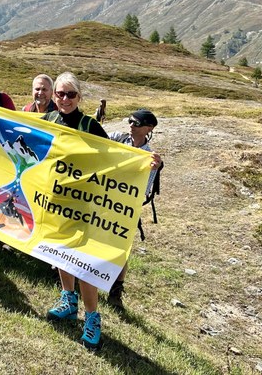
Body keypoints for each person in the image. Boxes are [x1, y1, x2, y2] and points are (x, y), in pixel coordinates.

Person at [42, 72, 110, 349]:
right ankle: (68, 301)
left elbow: (117, 156)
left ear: (80, 97)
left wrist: (146, 161)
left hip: (83, 204)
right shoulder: (47, 120)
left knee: (82, 262)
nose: (65, 99)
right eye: (60, 94)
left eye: (71, 94)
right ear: (53, 95)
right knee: (59, 252)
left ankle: (93, 317)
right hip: (54, 199)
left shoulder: (90, 125)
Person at [106, 108, 163, 309]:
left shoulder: (150, 157)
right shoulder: (115, 138)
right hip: (102, 198)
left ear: (149, 128)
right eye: (130, 121)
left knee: (121, 248)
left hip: (125, 206)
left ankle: (115, 291)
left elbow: (146, 189)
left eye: (136, 123)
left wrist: (154, 168)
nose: (131, 126)